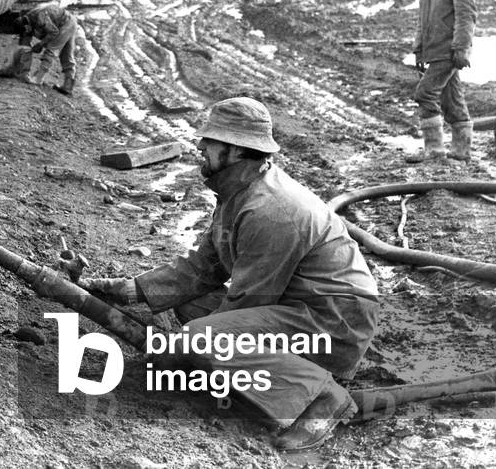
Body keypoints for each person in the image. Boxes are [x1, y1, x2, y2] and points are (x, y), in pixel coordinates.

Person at [79, 97, 380, 451]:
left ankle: (322, 398)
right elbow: (204, 267)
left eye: (211, 141)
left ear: (235, 151)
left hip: (333, 322)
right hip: (298, 308)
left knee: (198, 337)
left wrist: (181, 349)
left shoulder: (272, 210)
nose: (200, 146)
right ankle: (265, 372)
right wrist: (129, 290)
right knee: (193, 309)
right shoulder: (239, 192)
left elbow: (249, 300)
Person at [407, 0, 478, 163]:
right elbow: (423, 19)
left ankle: (435, 152)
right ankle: (461, 151)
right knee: (451, 100)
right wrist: (419, 49)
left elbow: (466, 15)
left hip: (449, 52)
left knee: (424, 93)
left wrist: (461, 48)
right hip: (433, 51)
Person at [16, 3, 78, 96]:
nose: (26, 34)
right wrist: (24, 71)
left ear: (26, 26)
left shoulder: (40, 17)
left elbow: (54, 32)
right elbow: (25, 46)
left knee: (51, 50)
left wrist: (40, 44)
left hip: (66, 23)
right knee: (67, 55)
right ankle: (68, 87)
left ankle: (38, 79)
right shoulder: (27, 21)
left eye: (26, 31)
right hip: (66, 22)